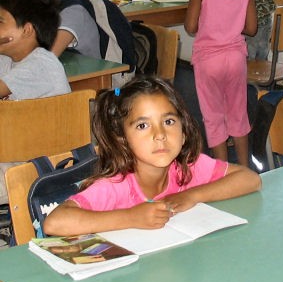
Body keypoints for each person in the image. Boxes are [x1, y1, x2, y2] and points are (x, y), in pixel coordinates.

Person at [43, 77, 261, 236]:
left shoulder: (187, 168)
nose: (160, 135)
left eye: (168, 122)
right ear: (122, 139)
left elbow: (250, 179)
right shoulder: (117, 185)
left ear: (184, 133)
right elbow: (55, 223)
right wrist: (131, 217)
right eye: (143, 125)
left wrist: (192, 196)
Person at [184, 0, 257, 167]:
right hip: (236, 59)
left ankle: (223, 172)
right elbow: (251, 28)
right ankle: (245, 170)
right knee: (239, 114)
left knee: (214, 117)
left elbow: (190, 27)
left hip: (209, 61)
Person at [0, 0, 70, 100]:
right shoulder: (5, 59)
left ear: (26, 30)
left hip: (49, 117)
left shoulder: (42, 64)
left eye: (0, 22)